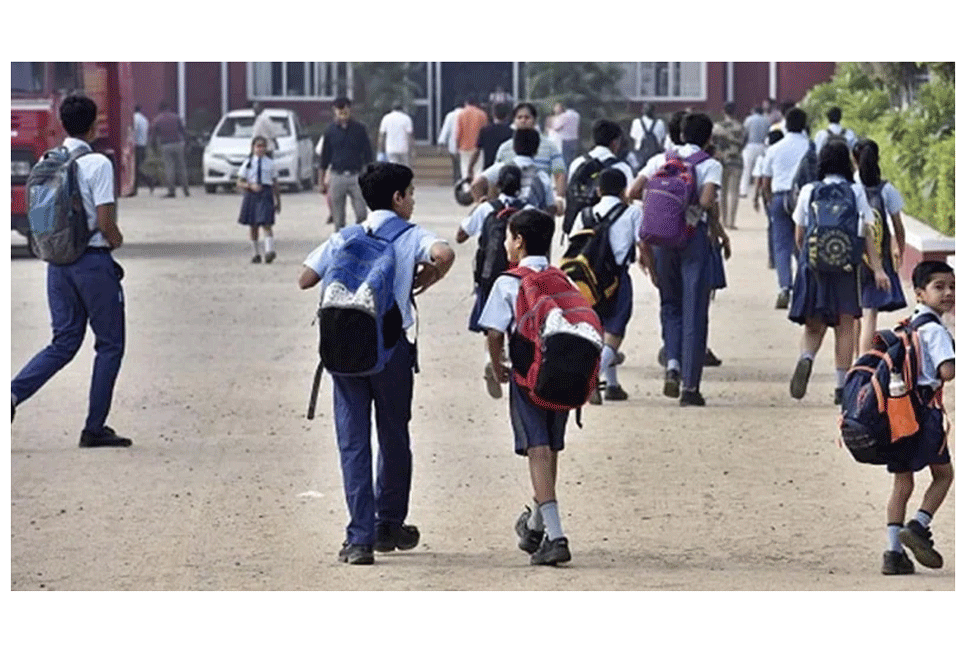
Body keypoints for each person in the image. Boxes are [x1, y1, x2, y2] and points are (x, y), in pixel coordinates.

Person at [298, 162, 456, 565]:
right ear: (398, 199)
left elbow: (305, 278)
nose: (413, 200)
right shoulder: (412, 235)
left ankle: (359, 538)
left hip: (344, 352)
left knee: (353, 443)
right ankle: (389, 522)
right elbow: (445, 252)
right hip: (391, 350)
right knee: (393, 435)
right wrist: (430, 276)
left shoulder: (345, 236)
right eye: (411, 193)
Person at [10, 95, 129, 448]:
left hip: (58, 264)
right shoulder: (97, 164)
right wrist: (115, 239)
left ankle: (13, 393)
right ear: (95, 126)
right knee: (109, 344)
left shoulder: (48, 161)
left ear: (62, 125)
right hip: (92, 263)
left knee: (63, 342)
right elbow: (106, 221)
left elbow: (42, 221)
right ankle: (94, 427)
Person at [477, 208, 574, 566]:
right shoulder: (562, 279)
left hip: (526, 377)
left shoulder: (508, 281)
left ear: (518, 241)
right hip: (563, 377)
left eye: (508, 237)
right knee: (550, 449)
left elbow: (493, 331)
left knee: (537, 450)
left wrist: (497, 362)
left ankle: (557, 534)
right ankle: (536, 525)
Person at [787, 140, 889, 404]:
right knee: (845, 326)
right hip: (846, 269)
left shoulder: (809, 190)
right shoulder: (855, 192)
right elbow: (866, 232)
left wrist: (808, 259)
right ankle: (841, 387)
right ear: (847, 163)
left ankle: (806, 358)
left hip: (815, 267)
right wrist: (878, 268)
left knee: (814, 325)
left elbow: (799, 234)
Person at [635, 113, 727, 406]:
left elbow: (633, 191)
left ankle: (672, 363)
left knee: (670, 304)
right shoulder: (710, 165)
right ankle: (690, 388)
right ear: (709, 138)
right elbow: (705, 201)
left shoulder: (660, 160)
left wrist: (660, 209)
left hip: (663, 240)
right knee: (695, 310)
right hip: (693, 240)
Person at [881, 260, 955, 575]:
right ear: (920, 292)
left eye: (952, 287)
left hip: (899, 412)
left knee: (902, 483)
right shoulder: (936, 330)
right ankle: (919, 524)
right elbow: (947, 373)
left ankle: (893, 553)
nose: (949, 293)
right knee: (944, 475)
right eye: (939, 287)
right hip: (925, 413)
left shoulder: (908, 323)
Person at [455, 165, 526, 397]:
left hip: (490, 275)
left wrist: (478, 206)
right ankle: (516, 368)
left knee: (492, 323)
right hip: (520, 275)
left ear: (497, 186)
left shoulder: (486, 208)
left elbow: (460, 235)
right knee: (520, 321)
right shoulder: (528, 210)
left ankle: (490, 358)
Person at [581, 168, 642, 405]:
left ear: (598, 190)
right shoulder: (632, 213)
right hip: (617, 277)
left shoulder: (585, 214)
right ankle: (593, 377)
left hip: (588, 280)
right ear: (623, 191)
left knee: (597, 330)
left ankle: (613, 385)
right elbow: (643, 244)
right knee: (614, 332)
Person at [853, 139, 907, 353]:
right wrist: (899, 251)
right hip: (878, 258)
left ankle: (852, 361)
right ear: (878, 158)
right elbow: (898, 227)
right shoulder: (886, 189)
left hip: (853, 257)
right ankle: (864, 364)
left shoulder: (850, 187)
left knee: (852, 314)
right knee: (870, 315)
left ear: (853, 159)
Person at [760, 107, 812, 309]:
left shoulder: (774, 149)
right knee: (803, 244)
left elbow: (766, 181)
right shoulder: (810, 147)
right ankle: (804, 286)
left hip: (780, 197)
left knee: (781, 245)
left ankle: (784, 287)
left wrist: (769, 200)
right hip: (804, 199)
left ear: (787, 125)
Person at [318, 97, 373, 231]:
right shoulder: (330, 131)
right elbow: (324, 157)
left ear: (350, 109)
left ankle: (359, 240)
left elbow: (368, 154)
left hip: (356, 176)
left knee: (362, 214)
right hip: (337, 176)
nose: (342, 111)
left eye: (345, 108)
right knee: (338, 218)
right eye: (339, 109)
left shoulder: (359, 129)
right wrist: (321, 181)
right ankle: (340, 246)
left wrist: (370, 175)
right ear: (334, 111)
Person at [493, 103, 567, 200]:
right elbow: (495, 176)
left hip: (540, 200)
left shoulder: (549, 146)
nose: (523, 120)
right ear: (514, 121)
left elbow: (559, 173)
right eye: (519, 117)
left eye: (527, 117)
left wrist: (560, 198)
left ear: (535, 120)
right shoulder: (505, 147)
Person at [472, 128, 555, 213]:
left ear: (514, 147)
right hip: (530, 222)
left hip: (501, 218)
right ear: (536, 149)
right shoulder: (542, 177)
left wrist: (482, 203)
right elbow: (550, 207)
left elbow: (476, 184)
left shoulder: (500, 168)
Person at [236, 136, 281, 264]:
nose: (260, 149)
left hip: (265, 193)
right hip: (252, 194)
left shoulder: (270, 163)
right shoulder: (248, 163)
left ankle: (269, 251)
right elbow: (239, 182)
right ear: (253, 148)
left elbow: (275, 183)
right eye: (258, 146)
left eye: (263, 146)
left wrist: (278, 200)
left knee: (267, 223)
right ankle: (255, 253)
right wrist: (250, 186)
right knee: (253, 225)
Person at [568, 119, 634, 189]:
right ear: (614, 142)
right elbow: (629, 194)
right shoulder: (622, 168)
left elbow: (570, 190)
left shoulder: (577, 163)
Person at [712, 102, 745, 229]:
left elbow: (713, 144)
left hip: (721, 162)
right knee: (734, 192)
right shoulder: (740, 127)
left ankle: (723, 221)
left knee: (722, 193)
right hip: (736, 161)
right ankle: (732, 221)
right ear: (735, 112)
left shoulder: (716, 127)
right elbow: (743, 144)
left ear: (723, 111)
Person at [151, 101, 190, 198]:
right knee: (181, 168)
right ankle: (185, 190)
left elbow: (154, 136)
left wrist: (154, 148)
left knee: (169, 168)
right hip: (178, 144)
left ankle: (171, 191)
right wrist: (187, 143)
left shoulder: (157, 120)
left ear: (160, 109)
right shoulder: (176, 117)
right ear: (168, 108)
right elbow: (183, 131)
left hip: (166, 145)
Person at [467, 102, 513, 175]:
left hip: (489, 169)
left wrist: (470, 167)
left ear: (493, 114)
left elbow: (477, 151)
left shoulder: (485, 131)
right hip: (507, 170)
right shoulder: (512, 132)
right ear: (508, 115)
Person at [455, 93, 489, 181]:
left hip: (464, 146)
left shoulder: (461, 114)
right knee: (478, 169)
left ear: (466, 102)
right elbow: (485, 131)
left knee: (465, 168)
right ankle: (477, 188)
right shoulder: (482, 114)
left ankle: (466, 189)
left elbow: (458, 132)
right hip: (478, 147)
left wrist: (457, 145)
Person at [740, 106, 770, 198]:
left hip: (750, 145)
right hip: (762, 146)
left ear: (753, 111)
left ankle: (744, 191)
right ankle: (761, 191)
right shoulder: (766, 120)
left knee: (746, 169)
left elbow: (744, 133)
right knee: (761, 170)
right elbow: (768, 133)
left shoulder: (749, 120)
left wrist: (742, 146)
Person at [378, 102, 415, 167]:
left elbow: (382, 136)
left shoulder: (386, 118)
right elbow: (410, 136)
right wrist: (412, 149)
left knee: (393, 169)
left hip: (390, 149)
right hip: (403, 148)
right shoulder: (406, 118)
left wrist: (380, 150)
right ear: (402, 109)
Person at [437, 99, 462, 184]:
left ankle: (456, 181)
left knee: (456, 165)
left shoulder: (450, 115)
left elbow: (445, 130)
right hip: (467, 145)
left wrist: (441, 144)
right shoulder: (467, 114)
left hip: (453, 145)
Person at [550, 101, 581, 170]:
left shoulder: (564, 116)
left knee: (565, 160)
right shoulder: (577, 115)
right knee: (572, 159)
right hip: (574, 139)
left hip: (565, 139)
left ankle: (565, 177)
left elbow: (557, 127)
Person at [132, 104, 154, 195]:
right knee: (137, 167)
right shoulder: (144, 119)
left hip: (136, 145)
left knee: (135, 168)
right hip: (143, 145)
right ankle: (147, 182)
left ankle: (148, 181)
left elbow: (134, 130)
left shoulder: (135, 118)